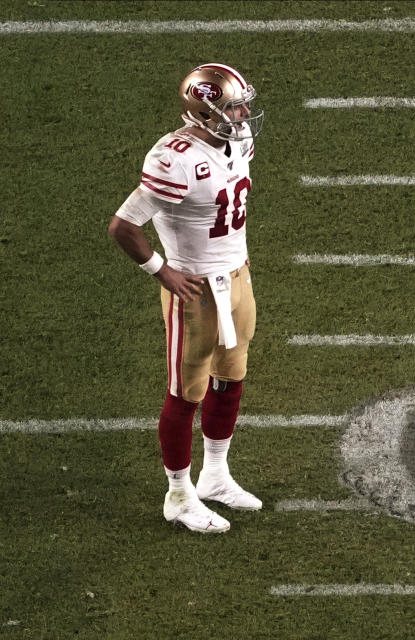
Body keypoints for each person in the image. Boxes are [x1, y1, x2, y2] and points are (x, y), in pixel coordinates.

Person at [108, 63, 265, 533]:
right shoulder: (173, 157)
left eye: (242, 103)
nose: (242, 112)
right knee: (185, 392)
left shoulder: (238, 141)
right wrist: (162, 271)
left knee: (231, 377)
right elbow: (123, 226)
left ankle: (215, 475)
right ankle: (178, 493)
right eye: (233, 105)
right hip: (194, 289)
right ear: (203, 111)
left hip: (238, 277)